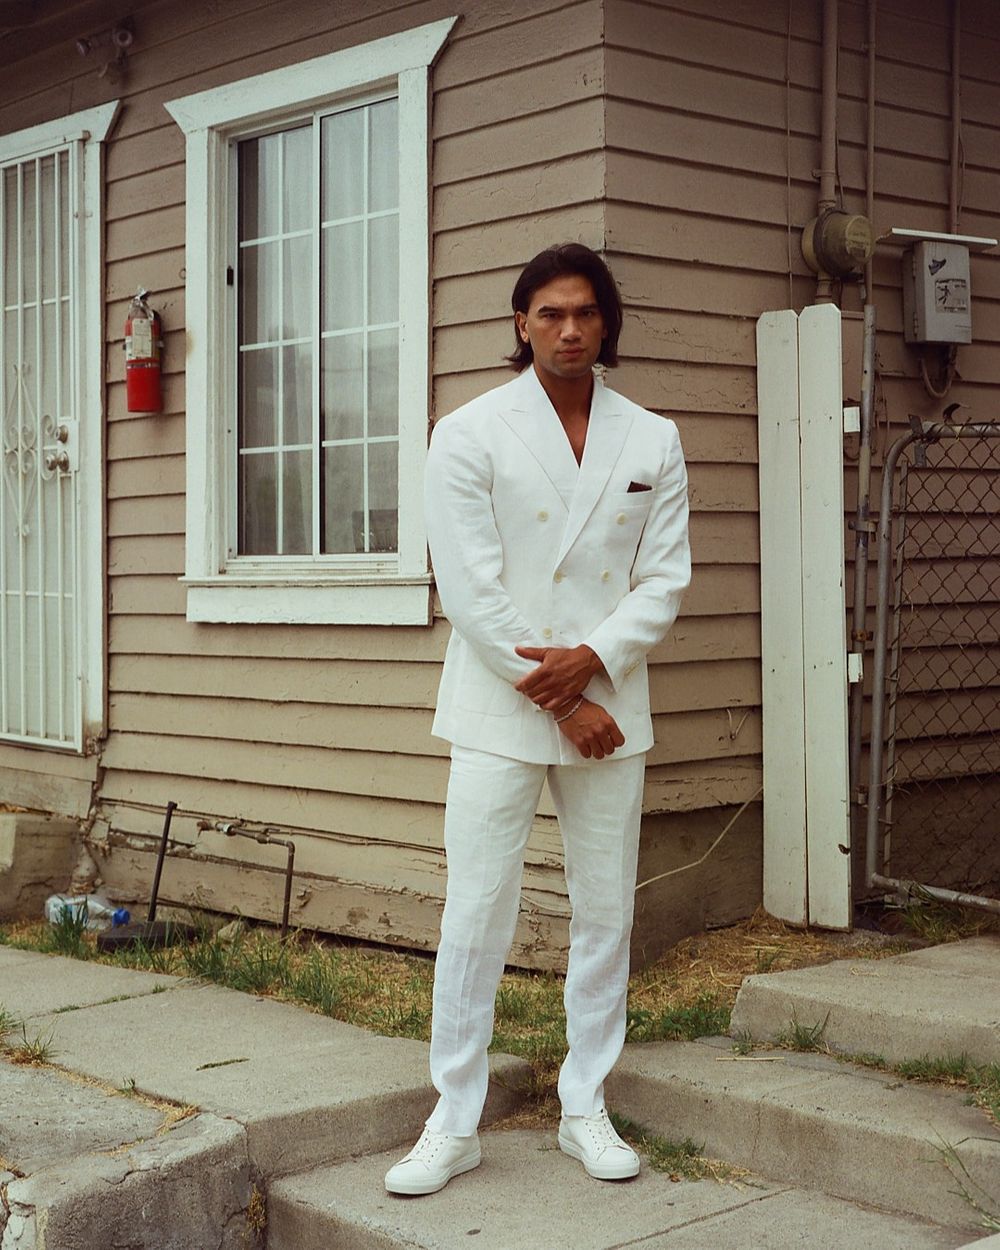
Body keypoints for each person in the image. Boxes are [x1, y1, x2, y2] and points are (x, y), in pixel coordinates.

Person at [385, 243, 691, 1195]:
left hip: (610, 703)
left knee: (605, 910)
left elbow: (664, 577)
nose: (569, 329)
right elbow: (472, 592)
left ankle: (584, 1104)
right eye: (549, 313)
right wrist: (568, 703)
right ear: (521, 323)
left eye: (586, 314)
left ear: (607, 325)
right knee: (477, 909)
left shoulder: (653, 437)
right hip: (500, 707)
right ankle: (454, 1117)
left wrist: (595, 668)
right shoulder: (468, 431)